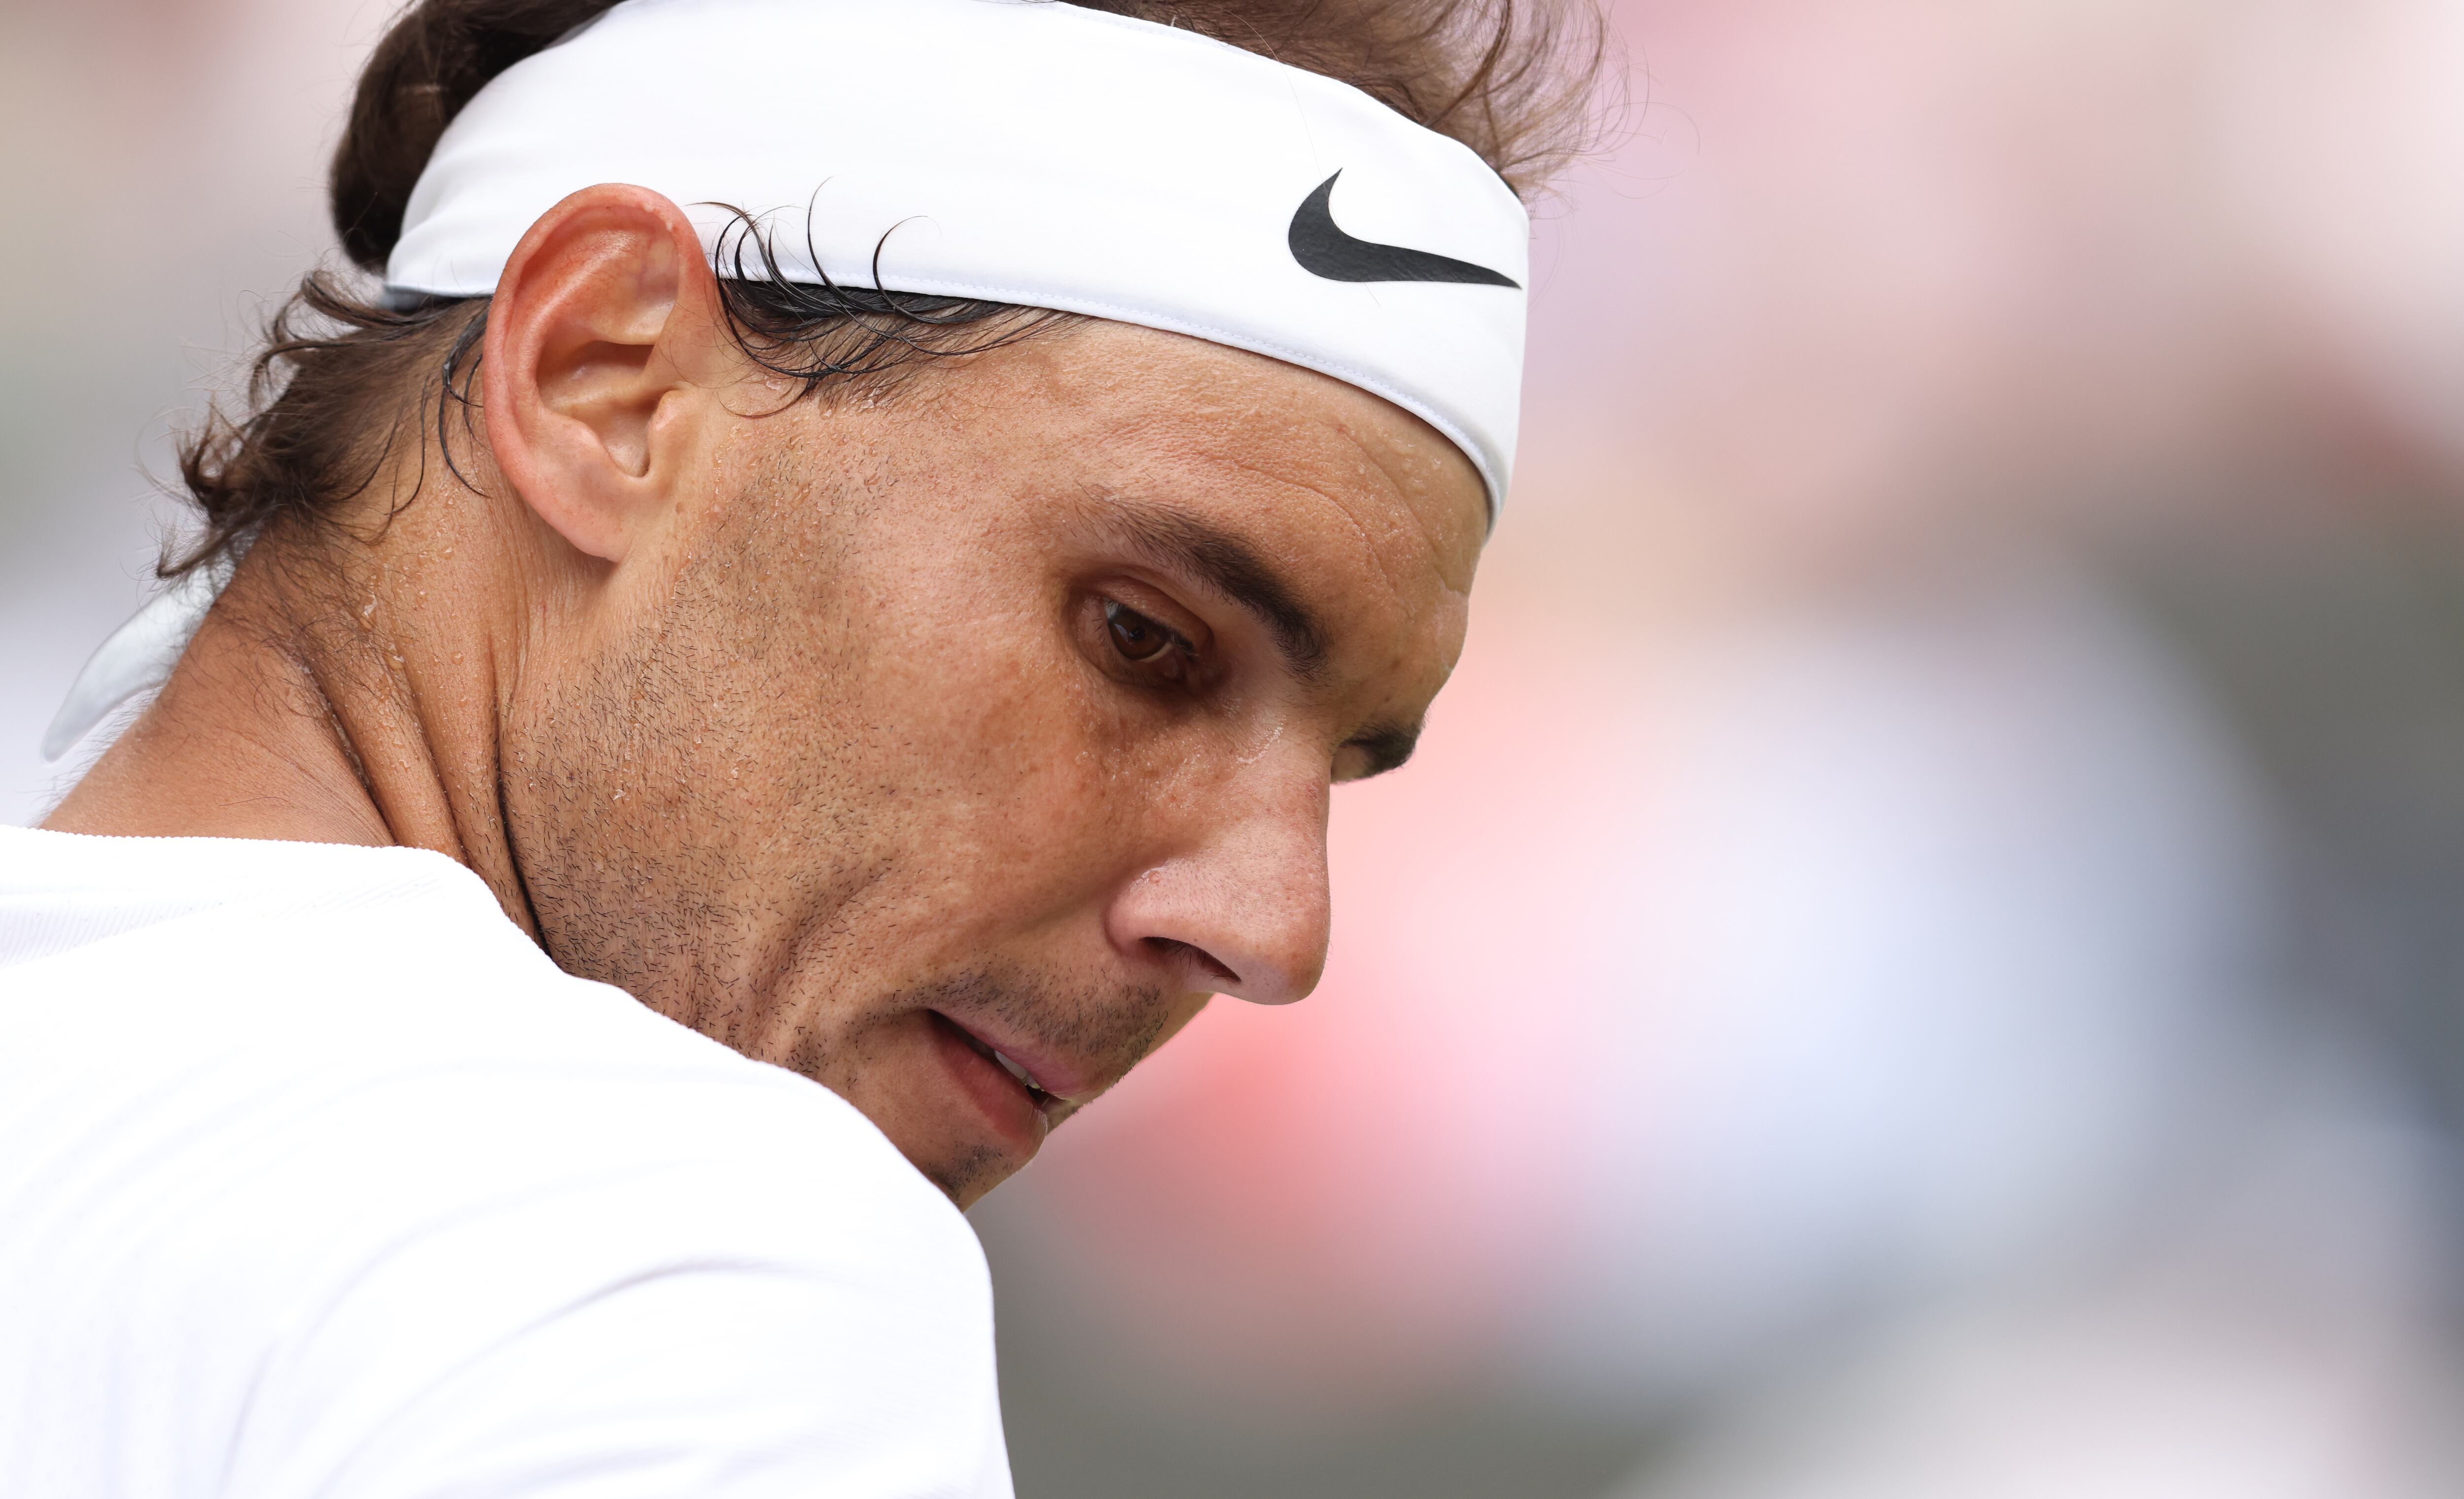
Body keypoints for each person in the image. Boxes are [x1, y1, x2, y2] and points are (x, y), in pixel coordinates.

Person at [0, 0, 1602, 1492]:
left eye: (1338, 768)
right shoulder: (684, 1264)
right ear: (601, 381)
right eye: (1145, 637)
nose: (1271, 930)